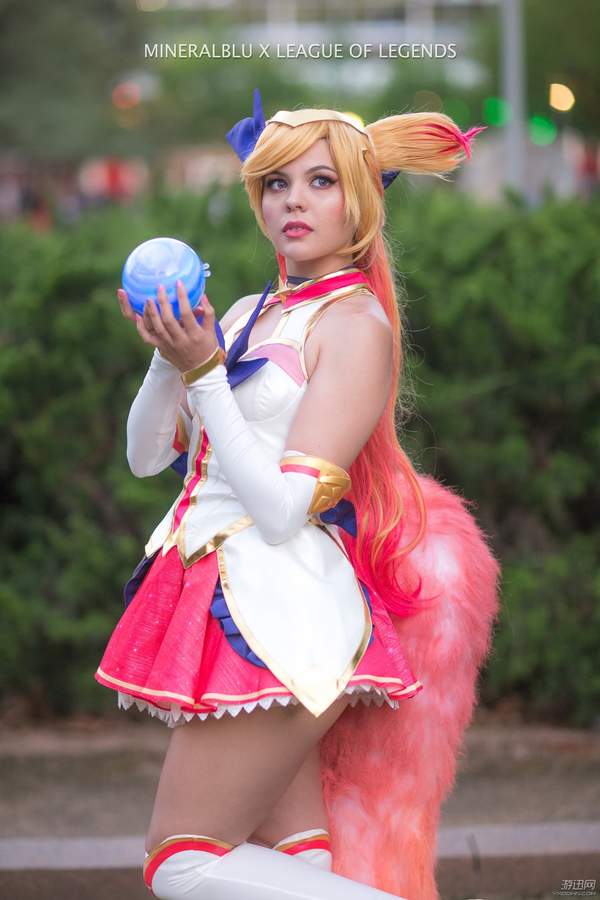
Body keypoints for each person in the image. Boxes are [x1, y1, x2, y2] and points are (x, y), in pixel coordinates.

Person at [95, 89, 499, 899]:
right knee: (295, 864)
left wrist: (205, 373)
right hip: (227, 595)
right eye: (277, 183)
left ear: (360, 200)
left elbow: (284, 511)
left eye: (321, 181)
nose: (293, 201)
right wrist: (170, 354)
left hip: (286, 612)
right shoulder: (248, 313)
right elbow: (144, 458)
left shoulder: (355, 327)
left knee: (182, 864)